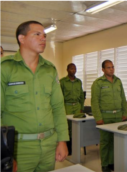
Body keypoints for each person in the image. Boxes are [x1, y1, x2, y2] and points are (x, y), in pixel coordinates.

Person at [0, 21, 69, 172]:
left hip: (48, 146)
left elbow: (57, 107)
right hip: (19, 148)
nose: (43, 38)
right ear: (21, 39)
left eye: (44, 35)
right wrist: (5, 152)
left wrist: (62, 140)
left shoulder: (50, 70)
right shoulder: (5, 68)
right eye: (37, 34)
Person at [91, 60, 127, 172]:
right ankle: (105, 165)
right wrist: (98, 118)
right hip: (105, 117)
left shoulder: (118, 81)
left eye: (112, 67)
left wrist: (124, 112)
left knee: (114, 141)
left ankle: (112, 162)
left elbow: (123, 98)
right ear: (103, 70)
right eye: (108, 67)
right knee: (105, 142)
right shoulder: (98, 83)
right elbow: (95, 102)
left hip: (118, 116)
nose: (111, 69)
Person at [60, 63, 85, 155]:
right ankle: (68, 148)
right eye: (71, 69)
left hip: (77, 106)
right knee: (68, 128)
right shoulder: (62, 81)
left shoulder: (79, 82)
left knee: (77, 128)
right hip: (67, 106)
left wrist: (81, 108)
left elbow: (82, 96)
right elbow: (60, 97)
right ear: (67, 70)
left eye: (75, 69)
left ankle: (76, 147)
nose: (73, 70)